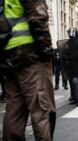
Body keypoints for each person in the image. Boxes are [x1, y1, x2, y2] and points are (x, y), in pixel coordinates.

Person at [0, 0, 56, 140]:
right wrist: (47, 53)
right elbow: (38, 18)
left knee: (14, 112)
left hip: (8, 56)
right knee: (41, 111)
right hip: (30, 55)